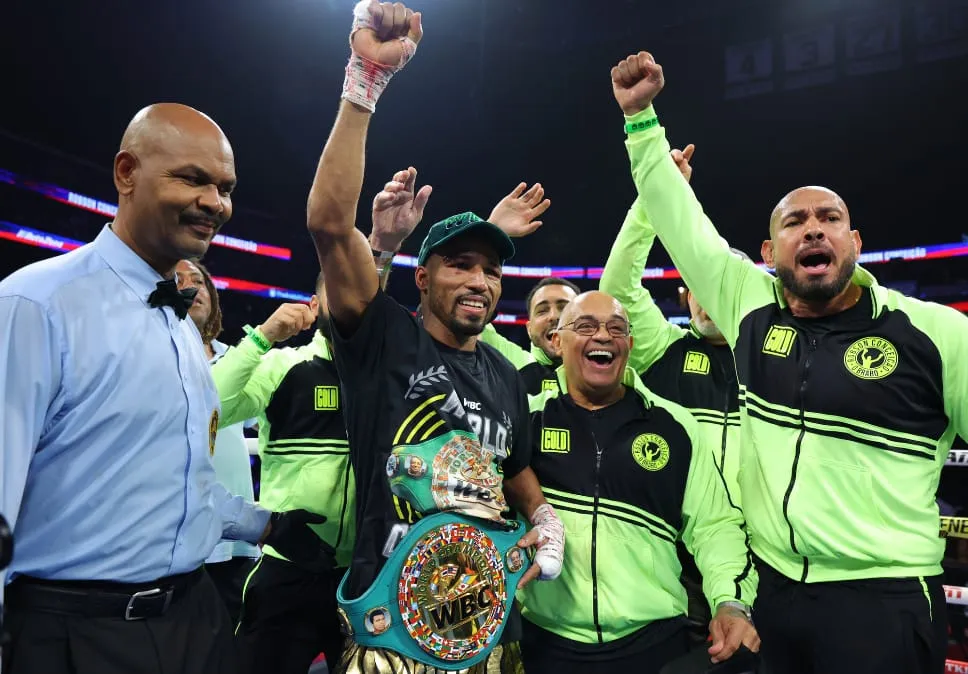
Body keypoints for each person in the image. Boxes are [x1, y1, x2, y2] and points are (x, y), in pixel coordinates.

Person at [612, 49, 968, 673]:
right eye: (794, 221)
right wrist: (641, 119)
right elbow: (681, 221)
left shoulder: (938, 335)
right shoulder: (747, 303)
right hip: (774, 593)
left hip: (884, 598)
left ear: (855, 243)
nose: (812, 230)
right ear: (768, 250)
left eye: (830, 219)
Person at [0, 103, 335, 674]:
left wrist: (264, 523)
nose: (216, 203)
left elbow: (182, 481)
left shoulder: (181, 326)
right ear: (126, 172)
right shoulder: (35, 304)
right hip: (74, 630)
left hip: (193, 617)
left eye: (225, 187)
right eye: (193, 178)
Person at [306, 3, 565, 671]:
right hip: (394, 640)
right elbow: (330, 224)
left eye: (491, 269)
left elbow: (513, 468)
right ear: (422, 278)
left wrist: (543, 520)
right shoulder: (385, 340)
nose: (479, 281)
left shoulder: (506, 375)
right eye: (460, 265)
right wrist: (365, 81)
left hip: (491, 635)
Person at [211, 174, 415, 674]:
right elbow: (207, 404)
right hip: (288, 567)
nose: (349, 302)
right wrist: (261, 337)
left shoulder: (392, 376)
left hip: (370, 572)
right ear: (316, 302)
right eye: (335, 291)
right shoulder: (285, 365)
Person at [519, 290, 759, 674]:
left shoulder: (676, 426)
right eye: (585, 326)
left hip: (655, 643)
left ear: (629, 345)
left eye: (616, 328)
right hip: (544, 642)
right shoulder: (525, 422)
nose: (602, 336)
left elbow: (715, 527)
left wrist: (730, 603)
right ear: (559, 343)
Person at [599, 148, 752, 640]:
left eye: (717, 285)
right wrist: (652, 199)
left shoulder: (777, 358)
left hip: (770, 550)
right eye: (695, 285)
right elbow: (617, 288)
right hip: (674, 547)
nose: (705, 297)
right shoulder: (662, 347)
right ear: (685, 295)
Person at [175, 258, 261, 626]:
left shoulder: (241, 361)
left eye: (199, 280)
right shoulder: (157, 355)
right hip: (179, 535)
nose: (190, 287)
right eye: (177, 280)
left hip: (236, 535)